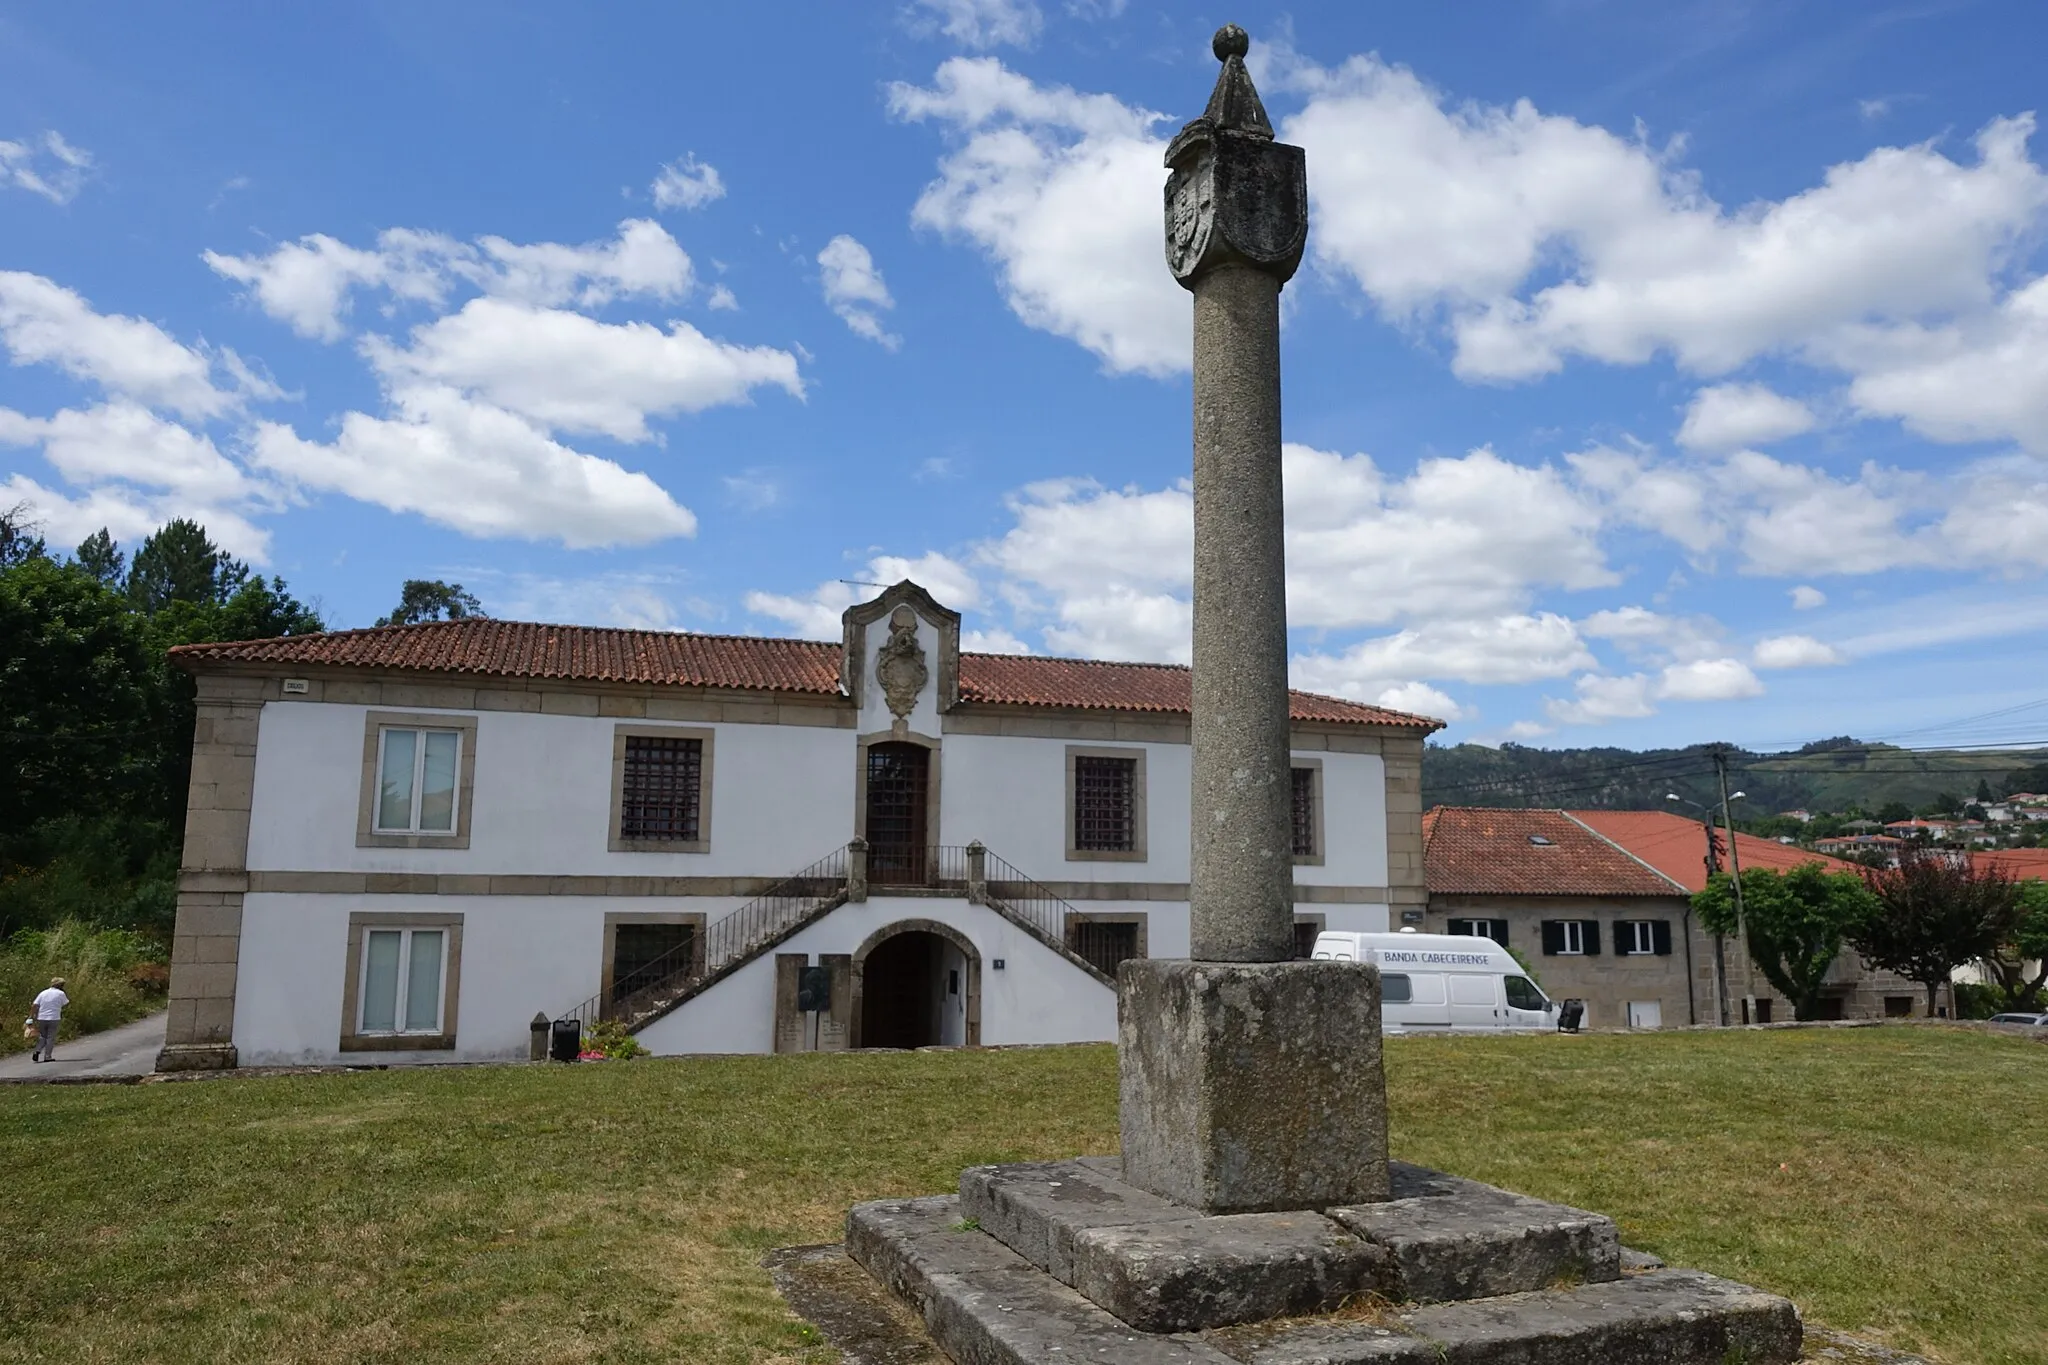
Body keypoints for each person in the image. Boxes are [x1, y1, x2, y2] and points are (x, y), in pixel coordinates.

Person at [31, 977, 67, 1063]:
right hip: (54, 1017)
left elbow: (35, 1005)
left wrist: (31, 1016)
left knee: (43, 1036)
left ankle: (37, 1050)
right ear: (61, 985)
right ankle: (47, 1056)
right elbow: (65, 1003)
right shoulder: (61, 993)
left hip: (42, 1017)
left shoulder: (43, 993)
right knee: (50, 1037)